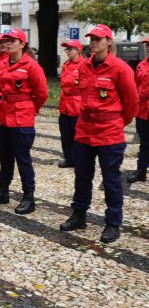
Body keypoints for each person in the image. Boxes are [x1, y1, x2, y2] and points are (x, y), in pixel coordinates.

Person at [59, 25, 138, 243]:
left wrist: (120, 122)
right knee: (82, 175)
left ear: (109, 42)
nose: (94, 42)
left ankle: (113, 223)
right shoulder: (84, 66)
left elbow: (131, 103)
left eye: (98, 39)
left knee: (111, 179)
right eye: (92, 38)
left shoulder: (120, 68)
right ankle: (79, 215)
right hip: (85, 129)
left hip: (109, 131)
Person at [0, 28, 48, 215]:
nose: (9, 43)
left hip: (21, 117)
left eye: (13, 40)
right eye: (7, 40)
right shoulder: (4, 63)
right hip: (4, 113)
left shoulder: (31, 66)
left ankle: (29, 196)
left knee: (22, 158)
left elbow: (42, 93)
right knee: (4, 155)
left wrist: (29, 108)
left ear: (22, 44)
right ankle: (3, 190)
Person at [57, 40, 84, 168]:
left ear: (78, 50)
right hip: (65, 104)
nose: (67, 51)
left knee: (78, 135)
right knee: (65, 134)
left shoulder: (85, 65)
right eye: (66, 49)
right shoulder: (66, 64)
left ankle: (79, 159)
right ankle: (69, 159)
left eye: (70, 49)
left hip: (77, 105)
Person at [129, 37, 149, 184]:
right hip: (143, 110)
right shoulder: (141, 65)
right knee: (144, 142)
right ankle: (141, 171)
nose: (148, 48)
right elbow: (136, 86)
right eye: (147, 45)